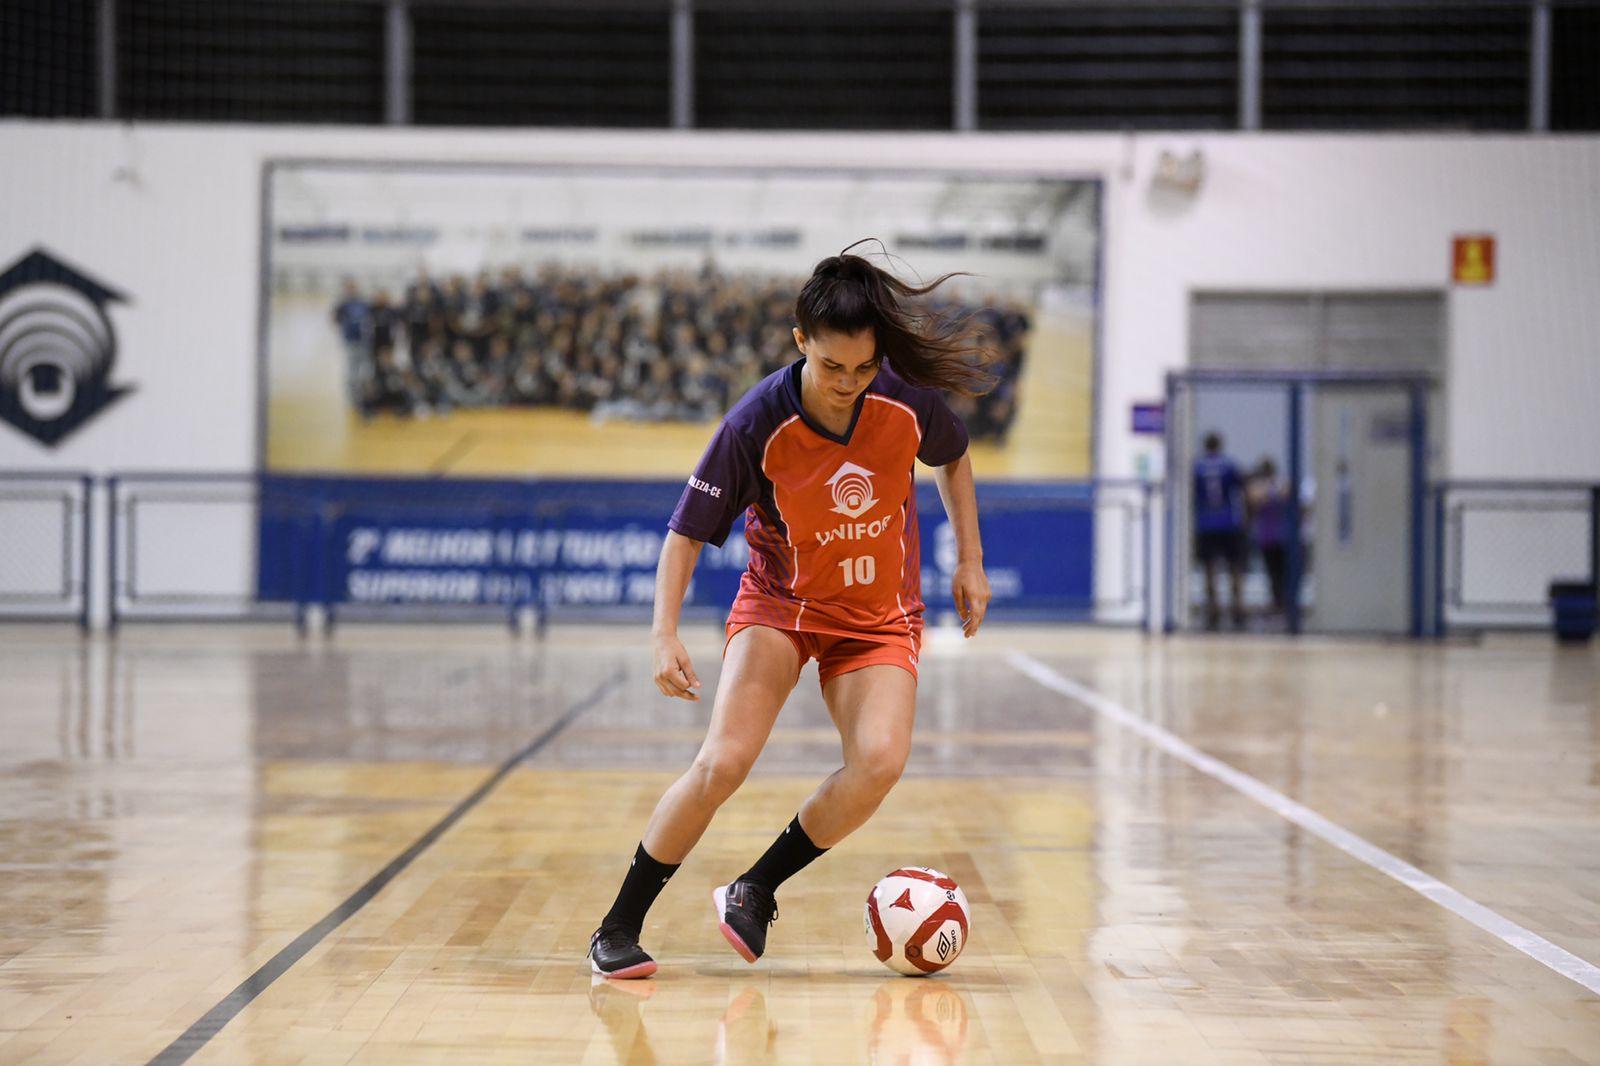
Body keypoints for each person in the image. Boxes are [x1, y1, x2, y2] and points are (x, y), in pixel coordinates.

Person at [587, 247, 995, 979]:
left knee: (879, 762)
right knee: (724, 762)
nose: (848, 384)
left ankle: (757, 887)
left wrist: (970, 559)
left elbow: (954, 457)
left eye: (863, 369)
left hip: (878, 615)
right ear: (800, 339)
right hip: (783, 605)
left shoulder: (903, 400)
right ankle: (617, 927)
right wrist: (663, 633)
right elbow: (684, 534)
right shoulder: (754, 425)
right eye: (833, 367)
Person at [1193, 432, 1246, 630]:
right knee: (1234, 567)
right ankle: (1237, 607)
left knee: (1209, 568)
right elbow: (1242, 489)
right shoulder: (1229, 465)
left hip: (1206, 523)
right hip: (1228, 522)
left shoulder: (1197, 467)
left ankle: (1214, 609)